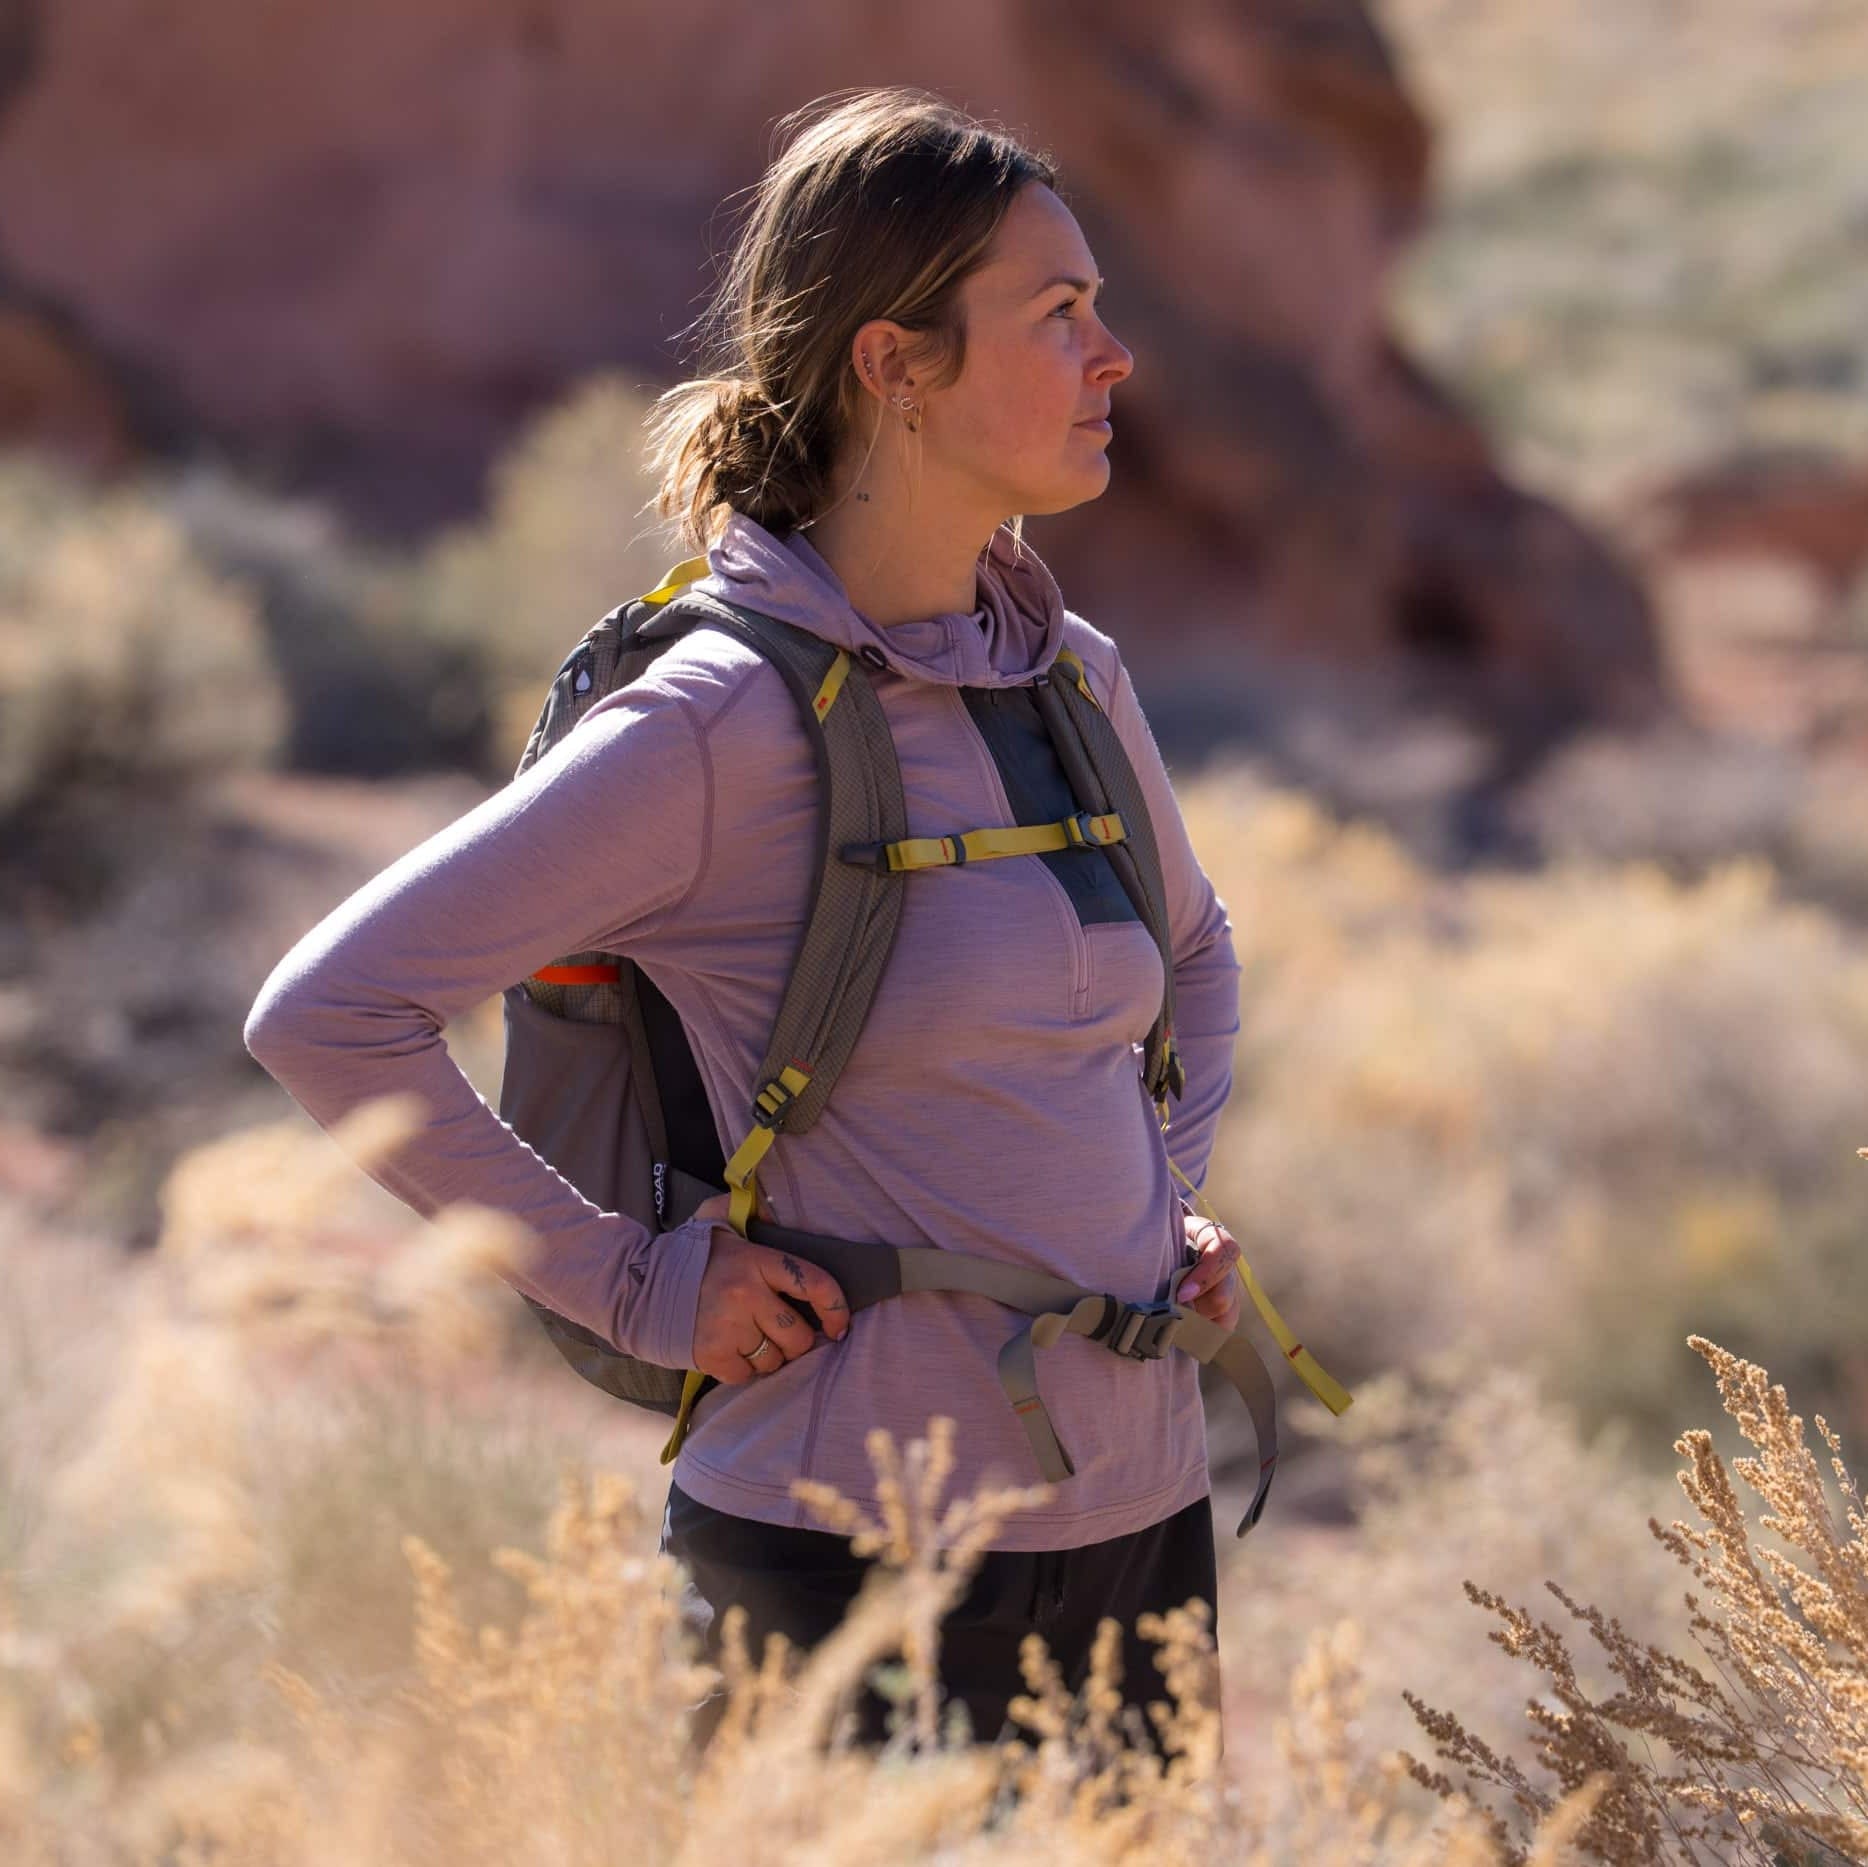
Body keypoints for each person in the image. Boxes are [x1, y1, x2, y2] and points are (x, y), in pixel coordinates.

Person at [243, 85, 1247, 1756]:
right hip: (841, 1554)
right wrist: (633, 1291)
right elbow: (329, 1012)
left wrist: (1160, 1200)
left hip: (1140, 1530)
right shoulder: (716, 725)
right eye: (1058, 313)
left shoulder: (1073, 678)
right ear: (892, 363)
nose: (1113, 354)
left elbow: (1196, 958)